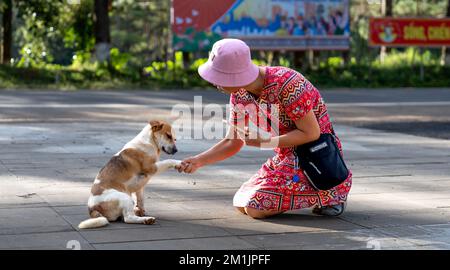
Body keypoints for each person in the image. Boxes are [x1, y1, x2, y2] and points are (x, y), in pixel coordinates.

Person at [177, 39, 352, 219]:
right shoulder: (240, 94)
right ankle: (317, 191)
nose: (215, 83)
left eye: (219, 77)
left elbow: (311, 133)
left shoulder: (288, 84)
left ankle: (332, 191)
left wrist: (265, 142)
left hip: (315, 155)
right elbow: (233, 140)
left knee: (255, 208)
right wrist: (199, 161)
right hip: (287, 155)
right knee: (241, 201)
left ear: (235, 76)